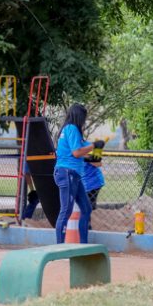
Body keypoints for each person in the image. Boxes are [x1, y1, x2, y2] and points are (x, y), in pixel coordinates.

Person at [53, 104, 101, 244]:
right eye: (84, 118)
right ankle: (59, 246)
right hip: (67, 173)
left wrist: (97, 146)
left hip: (74, 174)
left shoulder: (70, 130)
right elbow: (76, 152)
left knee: (86, 208)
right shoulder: (72, 129)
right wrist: (93, 146)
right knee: (66, 211)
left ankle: (83, 244)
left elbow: (85, 150)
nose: (84, 122)